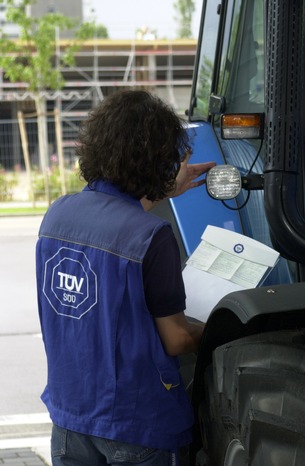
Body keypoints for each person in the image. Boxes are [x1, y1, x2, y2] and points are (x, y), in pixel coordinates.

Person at [35, 90, 215, 465]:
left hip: (70, 422)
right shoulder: (152, 236)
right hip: (137, 424)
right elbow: (178, 339)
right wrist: (222, 324)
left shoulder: (57, 216)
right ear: (158, 161)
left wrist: (165, 190)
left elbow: (114, 218)